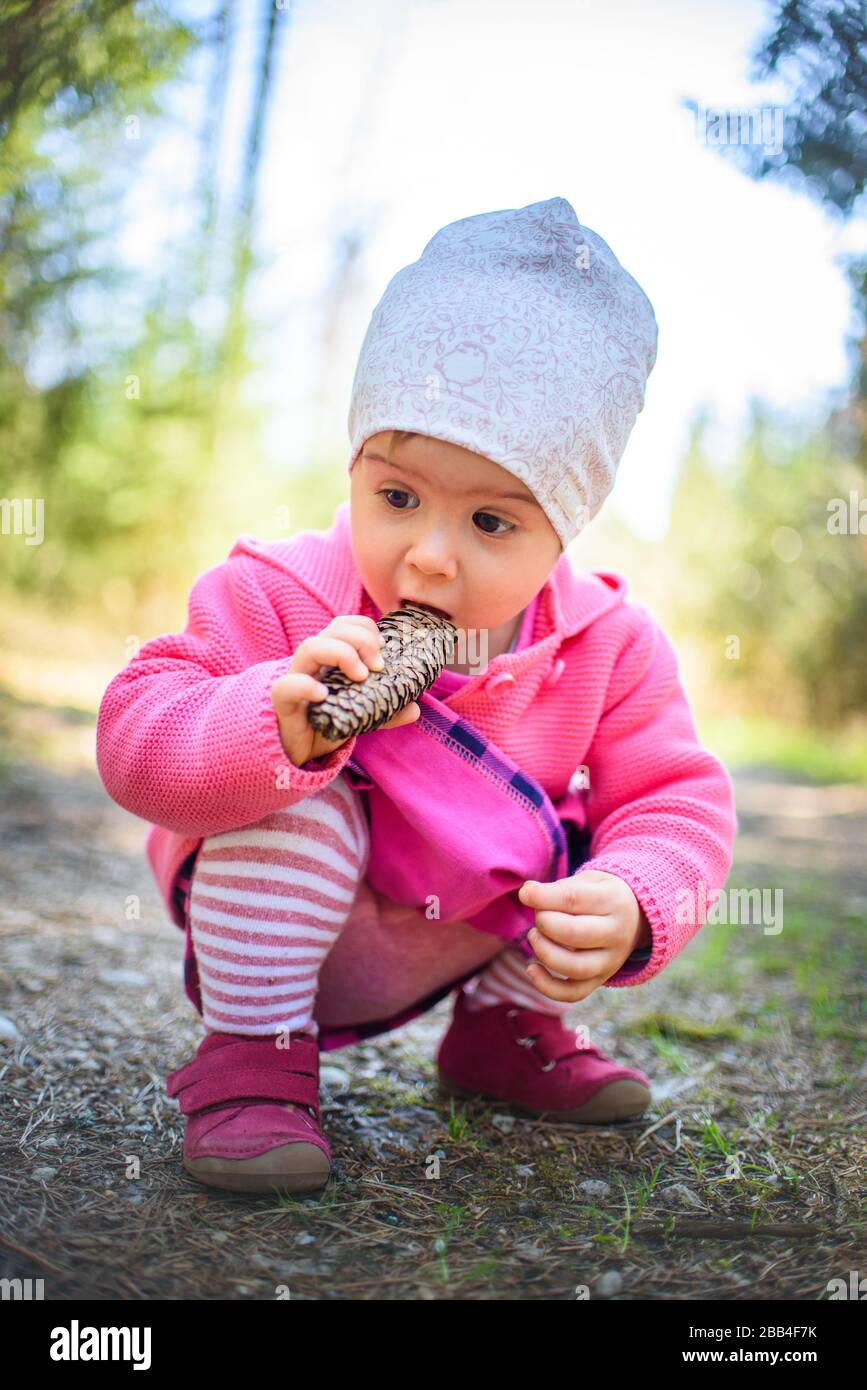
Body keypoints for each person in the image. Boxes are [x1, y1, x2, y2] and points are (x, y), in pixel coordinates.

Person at [96, 197, 737, 1195]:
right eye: (397, 498)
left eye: (490, 520)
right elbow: (139, 729)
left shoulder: (610, 644)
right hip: (290, 920)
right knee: (301, 805)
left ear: (563, 530)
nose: (429, 558)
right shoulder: (283, 589)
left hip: (474, 919)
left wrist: (639, 899)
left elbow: (676, 802)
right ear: (355, 467)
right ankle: (253, 1057)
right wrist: (265, 717)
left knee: (570, 853)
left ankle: (505, 1031)